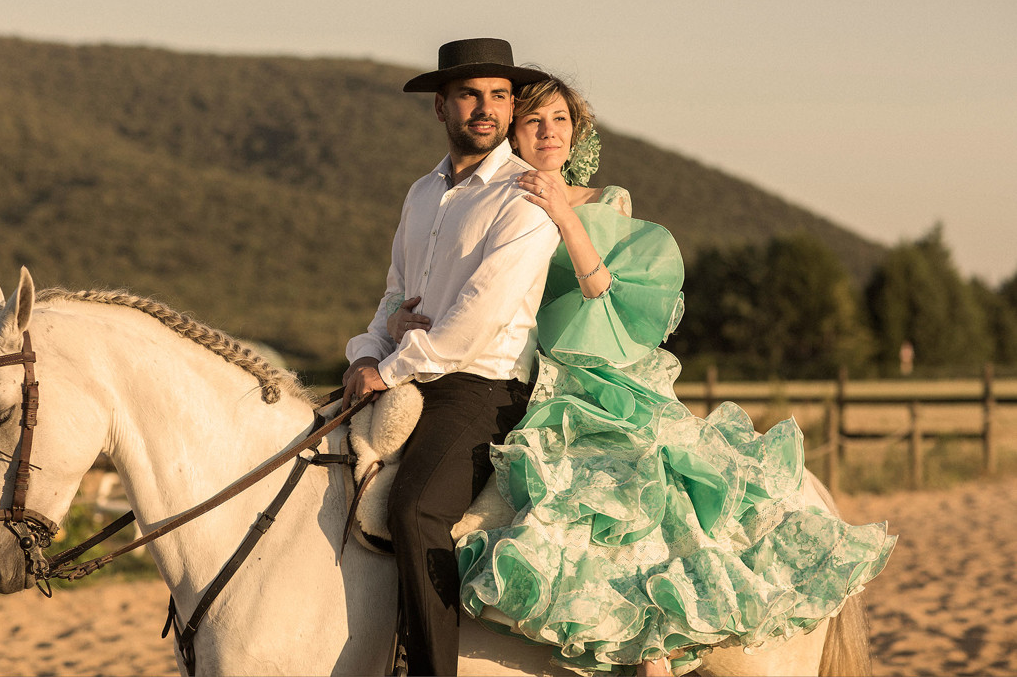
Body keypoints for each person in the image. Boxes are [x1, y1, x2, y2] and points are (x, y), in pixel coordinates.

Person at [389, 77, 896, 676]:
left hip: (600, 373)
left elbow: (606, 293)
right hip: (527, 370)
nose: (548, 131)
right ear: (514, 134)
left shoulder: (606, 201)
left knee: (633, 495)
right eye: (534, 122)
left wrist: (563, 213)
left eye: (559, 120)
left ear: (575, 133)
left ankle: (652, 652)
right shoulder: (499, 200)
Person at [342, 38, 561, 676]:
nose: (486, 109)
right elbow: (394, 294)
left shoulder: (524, 198)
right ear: (442, 106)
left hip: (481, 387)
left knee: (416, 509)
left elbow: (477, 319)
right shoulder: (420, 194)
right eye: (470, 95)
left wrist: (390, 367)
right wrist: (365, 354)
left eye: (499, 96)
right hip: (410, 369)